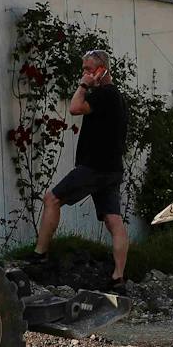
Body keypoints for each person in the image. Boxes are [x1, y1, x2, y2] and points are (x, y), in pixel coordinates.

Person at [29, 49, 129, 287]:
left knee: (52, 199)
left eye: (89, 69)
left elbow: (74, 108)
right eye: (83, 69)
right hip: (112, 169)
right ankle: (118, 276)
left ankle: (39, 254)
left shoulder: (103, 94)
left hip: (94, 167)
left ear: (102, 70)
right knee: (113, 220)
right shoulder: (116, 96)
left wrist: (83, 85)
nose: (84, 73)